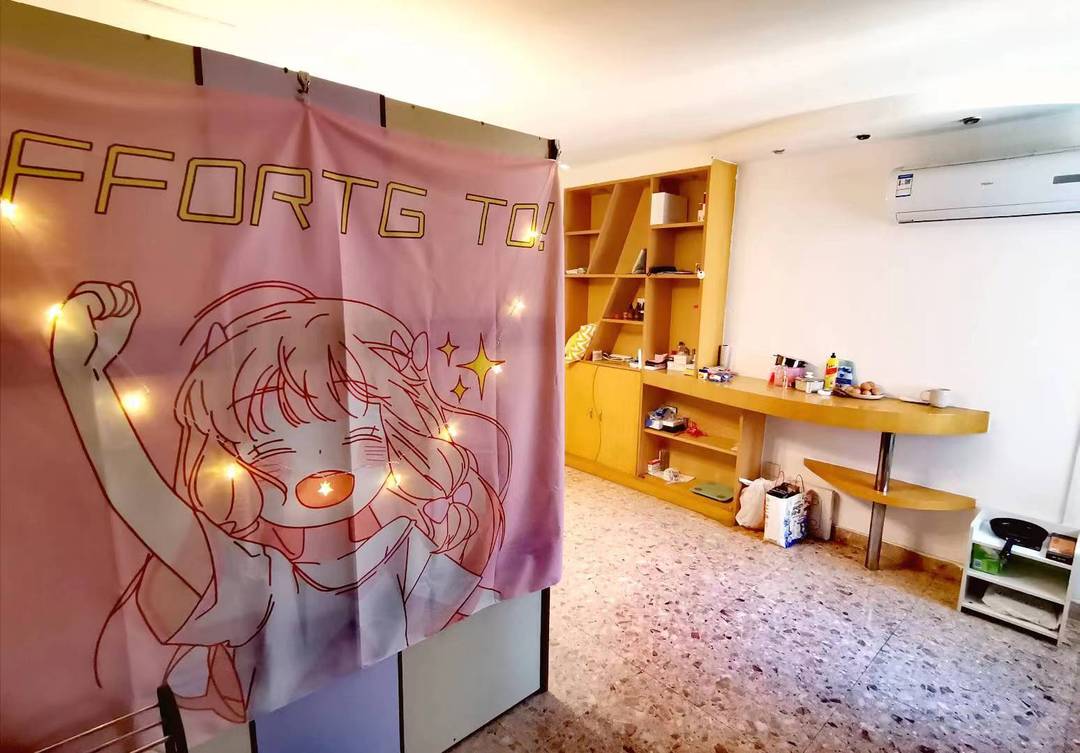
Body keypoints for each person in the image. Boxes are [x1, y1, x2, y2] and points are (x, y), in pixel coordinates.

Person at [50, 280, 508, 721]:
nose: (324, 468)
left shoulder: (402, 544)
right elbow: (144, 500)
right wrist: (82, 376)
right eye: (276, 450)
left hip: (395, 701)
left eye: (359, 436)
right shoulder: (256, 575)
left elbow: (466, 592)